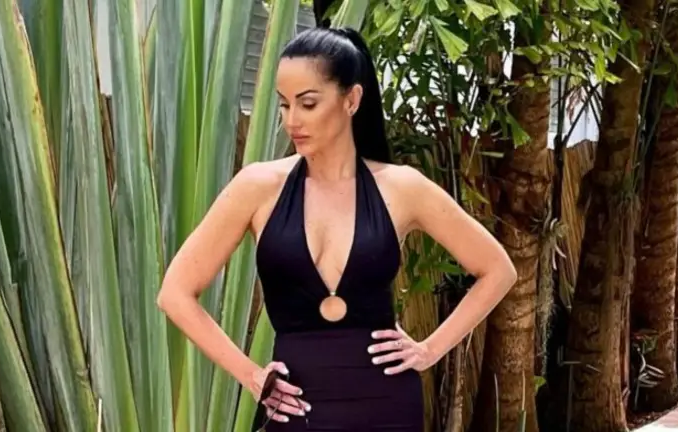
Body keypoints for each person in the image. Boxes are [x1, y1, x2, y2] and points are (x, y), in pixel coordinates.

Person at [157, 26, 517, 431]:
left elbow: (498, 269)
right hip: (295, 408)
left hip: (386, 405)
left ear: (352, 100)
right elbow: (175, 293)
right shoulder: (257, 187)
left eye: (308, 103)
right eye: (284, 105)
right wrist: (251, 375)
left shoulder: (402, 188)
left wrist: (430, 349)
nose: (292, 120)